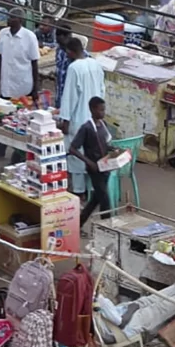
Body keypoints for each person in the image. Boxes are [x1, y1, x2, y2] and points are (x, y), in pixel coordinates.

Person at [60, 37, 106, 196]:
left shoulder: (74, 68)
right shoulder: (95, 64)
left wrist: (65, 121)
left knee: (77, 156)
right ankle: (91, 190)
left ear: (70, 52)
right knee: (92, 153)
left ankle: (79, 191)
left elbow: (69, 96)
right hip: (94, 119)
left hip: (78, 118)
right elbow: (102, 90)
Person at [0, 8, 40, 161]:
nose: (9, 20)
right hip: (6, 86)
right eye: (9, 17)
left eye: (13, 18)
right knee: (2, 120)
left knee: (21, 122)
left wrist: (35, 89)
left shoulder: (29, 37)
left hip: (23, 88)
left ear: (20, 20)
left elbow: (34, 64)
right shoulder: (3, 34)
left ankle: (19, 155)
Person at [69, 97, 113, 228]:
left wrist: (113, 149)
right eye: (100, 110)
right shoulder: (86, 128)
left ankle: (78, 223)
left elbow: (105, 144)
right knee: (105, 200)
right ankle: (106, 228)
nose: (103, 112)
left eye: (104, 110)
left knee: (96, 198)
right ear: (92, 109)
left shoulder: (103, 125)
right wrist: (89, 162)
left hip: (105, 167)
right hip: (95, 169)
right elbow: (72, 149)